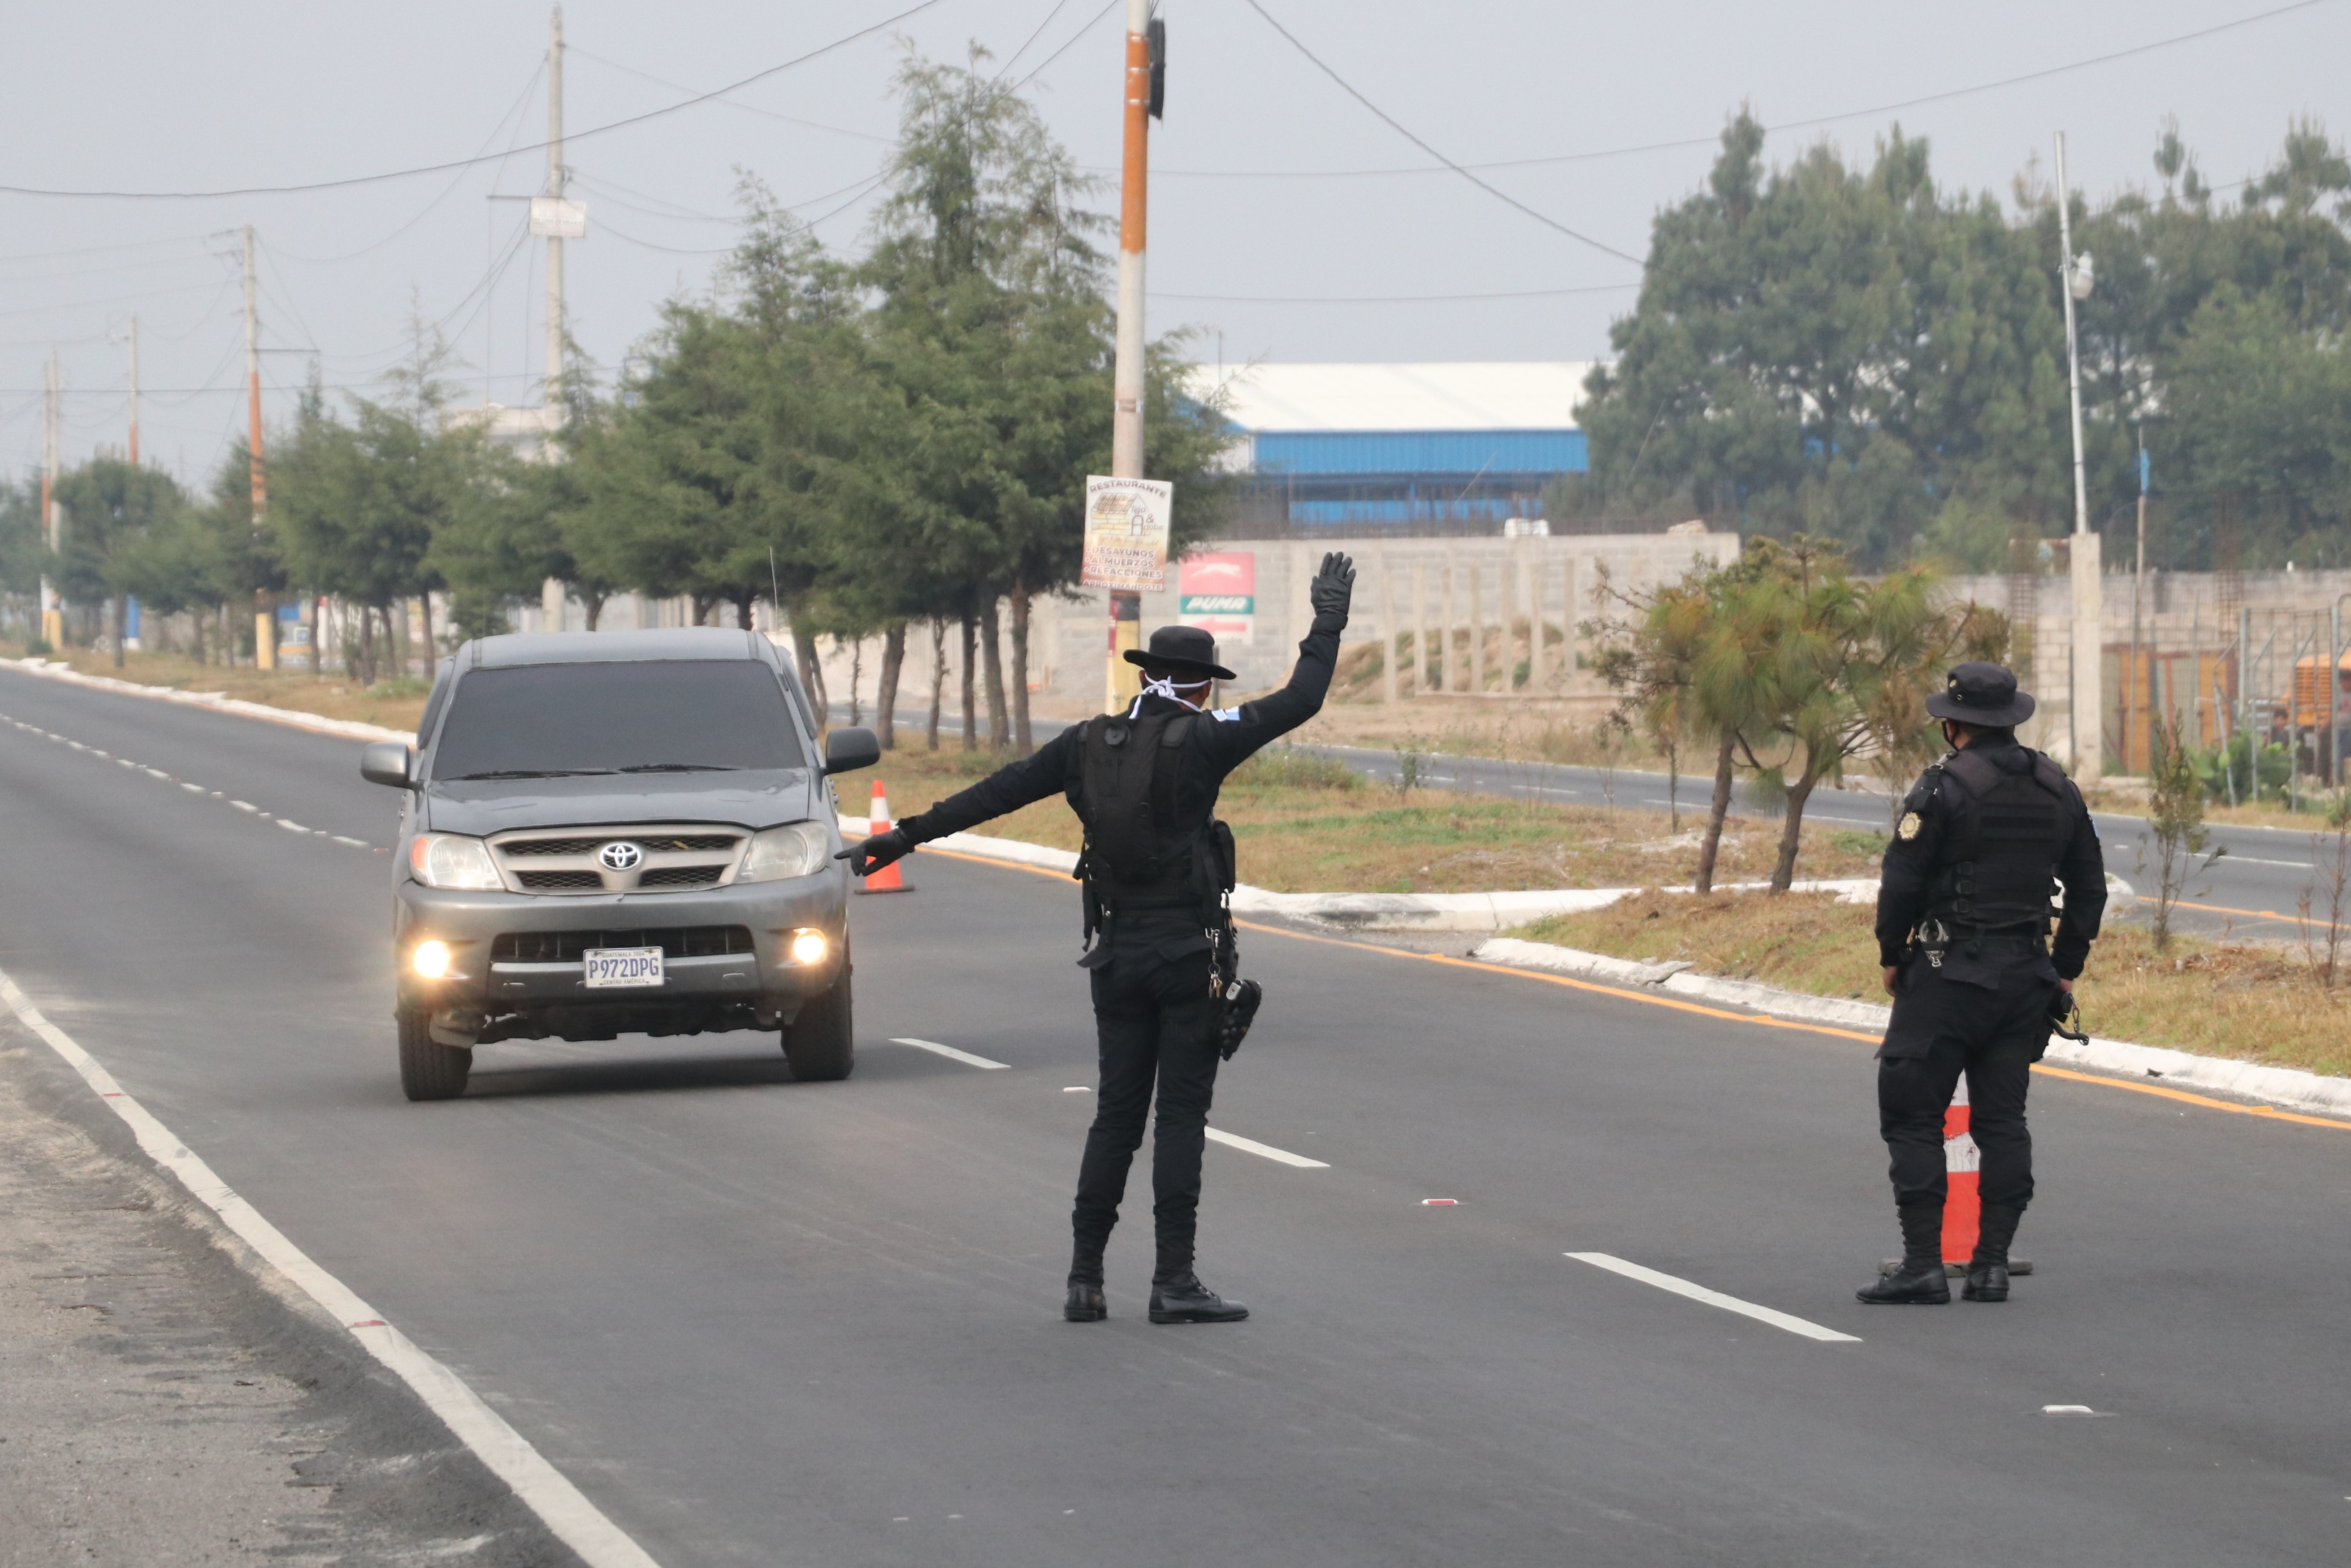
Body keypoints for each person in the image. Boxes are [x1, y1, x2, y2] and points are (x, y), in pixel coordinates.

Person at [847, 553, 1356, 1325]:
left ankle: (1084, 1278)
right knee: (1179, 1116)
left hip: (1113, 957)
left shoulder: (1088, 741)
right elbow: (1301, 698)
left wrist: (902, 837)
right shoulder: (1206, 738)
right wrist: (1327, 619)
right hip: (1185, 957)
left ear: (1150, 674)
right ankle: (1173, 1280)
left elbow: (997, 792)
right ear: (1199, 684)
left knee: (1116, 1113)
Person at [1858, 661, 2106, 1306]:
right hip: (2026, 977)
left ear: (1952, 723)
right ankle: (1990, 1263)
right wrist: (2065, 965)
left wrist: (1891, 953)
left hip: (1945, 978)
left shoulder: (1941, 788)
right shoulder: (2059, 787)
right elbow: (2089, 885)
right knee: (2003, 1122)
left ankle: (1922, 1266)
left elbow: (1903, 880)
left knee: (1912, 1115)